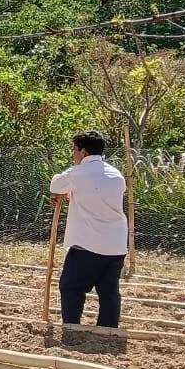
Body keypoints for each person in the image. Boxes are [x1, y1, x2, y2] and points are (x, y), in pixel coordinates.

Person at [49, 131, 127, 328]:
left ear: (83, 152)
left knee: (71, 287)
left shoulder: (78, 173)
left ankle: (72, 328)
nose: (73, 154)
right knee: (109, 292)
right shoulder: (116, 175)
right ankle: (108, 332)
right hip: (116, 245)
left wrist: (65, 190)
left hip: (88, 244)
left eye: (74, 150)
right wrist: (71, 193)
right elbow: (96, 195)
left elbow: (56, 184)